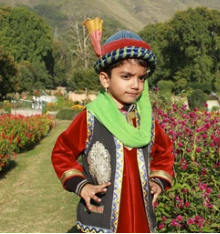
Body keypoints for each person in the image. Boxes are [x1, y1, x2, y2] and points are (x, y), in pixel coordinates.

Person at [50, 22, 175, 233]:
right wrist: (81, 186)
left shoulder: (146, 121)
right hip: (101, 215)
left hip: (140, 216)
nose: (135, 85)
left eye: (141, 78)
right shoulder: (90, 118)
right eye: (126, 77)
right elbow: (62, 152)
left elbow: (165, 152)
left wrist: (158, 181)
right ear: (105, 79)